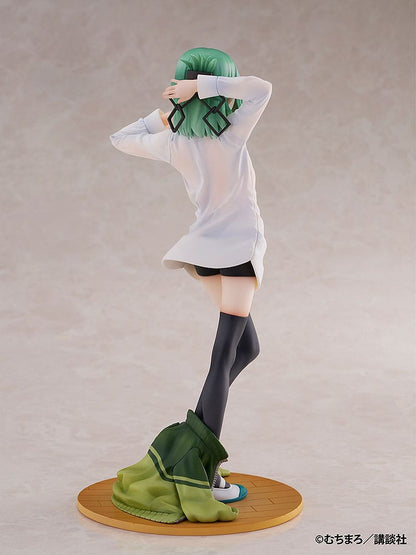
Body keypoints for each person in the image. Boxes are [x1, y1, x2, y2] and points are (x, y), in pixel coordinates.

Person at [109, 47, 272, 519]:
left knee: (247, 349)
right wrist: (205, 87)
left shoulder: (175, 141)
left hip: (205, 256)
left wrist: (163, 116)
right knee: (223, 358)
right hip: (236, 257)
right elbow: (261, 89)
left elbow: (121, 138)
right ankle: (204, 473)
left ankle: (191, 440)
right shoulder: (234, 131)